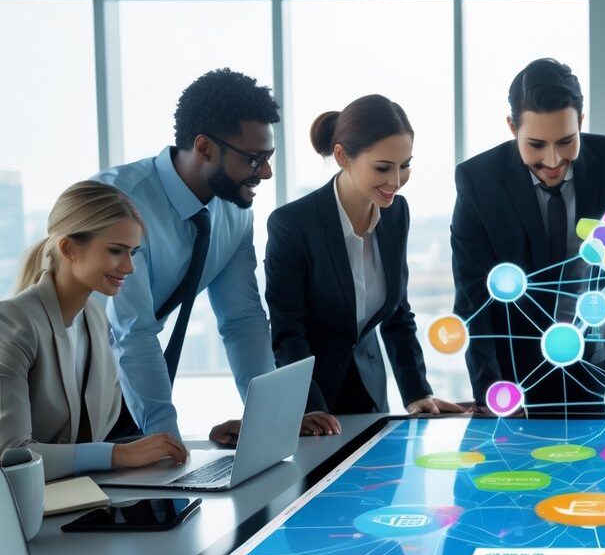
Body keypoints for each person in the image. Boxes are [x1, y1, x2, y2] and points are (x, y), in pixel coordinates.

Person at [94, 68, 339, 443]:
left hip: (130, 383)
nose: (267, 172)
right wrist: (167, 440)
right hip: (73, 385)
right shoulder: (120, 200)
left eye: (269, 157)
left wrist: (273, 420)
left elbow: (241, 320)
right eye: (255, 159)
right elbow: (133, 331)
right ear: (205, 148)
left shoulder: (235, 213)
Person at [451, 58, 605, 412]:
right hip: (516, 377)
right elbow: (473, 298)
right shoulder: (478, 182)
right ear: (512, 127)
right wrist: (490, 392)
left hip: (592, 368)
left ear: (582, 122)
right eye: (537, 145)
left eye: (566, 141)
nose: (554, 160)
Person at [265, 95, 462, 415]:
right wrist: (308, 409)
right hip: (311, 404)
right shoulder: (293, 224)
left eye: (405, 165)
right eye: (383, 167)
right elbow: (288, 334)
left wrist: (416, 393)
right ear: (342, 156)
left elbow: (397, 314)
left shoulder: (396, 213)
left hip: (370, 397)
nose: (396, 181)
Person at [0, 182, 187, 481]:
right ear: (68, 249)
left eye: (133, 253)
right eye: (116, 251)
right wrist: (118, 455)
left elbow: (89, 437)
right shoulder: (11, 323)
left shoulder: (96, 319)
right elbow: (11, 455)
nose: (129, 267)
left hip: (82, 500)